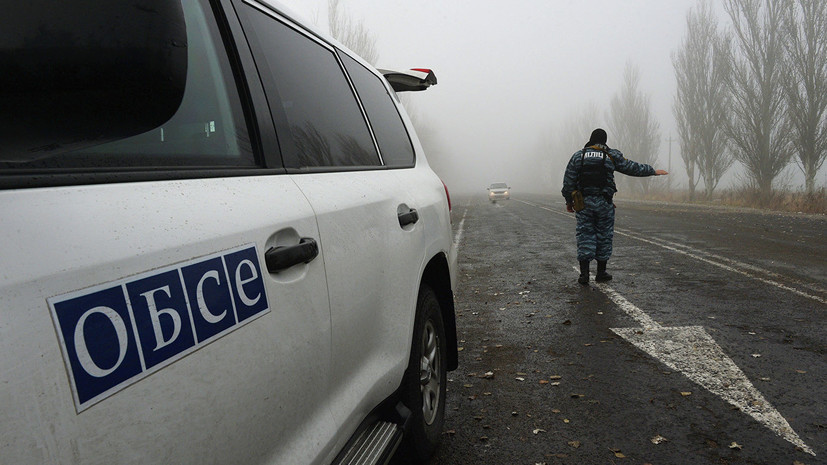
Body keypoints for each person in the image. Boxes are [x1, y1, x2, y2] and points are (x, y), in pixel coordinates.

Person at [561, 128, 668, 285]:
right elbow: (631, 167)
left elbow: (568, 181)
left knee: (585, 235)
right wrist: (652, 171)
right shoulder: (611, 155)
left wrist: (569, 201)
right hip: (604, 204)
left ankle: (584, 274)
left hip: (583, 204)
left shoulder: (579, 156)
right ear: (604, 141)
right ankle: (601, 272)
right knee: (604, 236)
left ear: (590, 140)